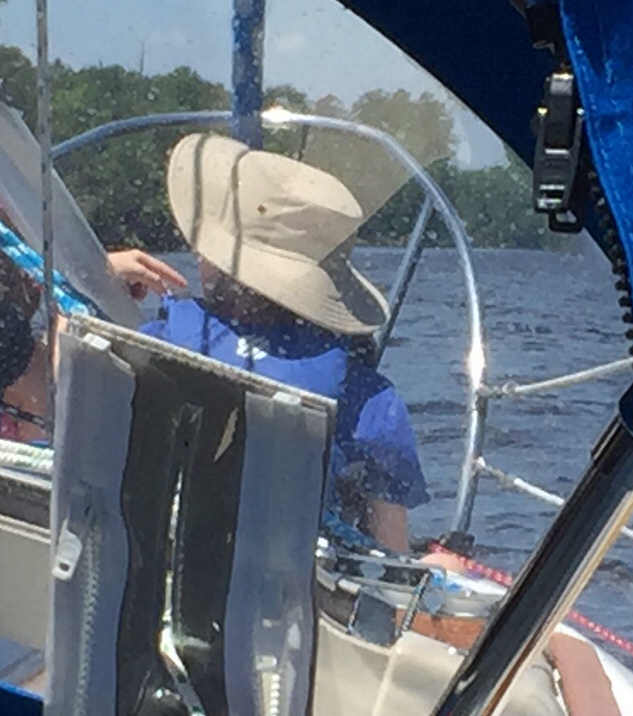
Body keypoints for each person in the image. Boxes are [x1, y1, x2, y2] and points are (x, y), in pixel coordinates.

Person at [110, 130, 428, 551]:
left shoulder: (162, 342)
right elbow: (392, 552)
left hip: (165, 552)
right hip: (288, 584)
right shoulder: (369, 398)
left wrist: (97, 275)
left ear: (216, 260)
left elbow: (69, 401)